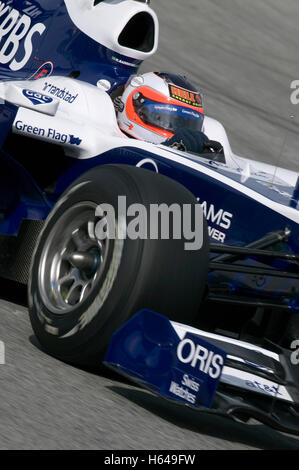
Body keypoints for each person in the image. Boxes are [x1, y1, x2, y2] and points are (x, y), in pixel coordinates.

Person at [115, 71, 223, 156]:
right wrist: (171, 148)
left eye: (187, 123)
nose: (180, 133)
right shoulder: (108, 140)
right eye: (163, 119)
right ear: (137, 105)